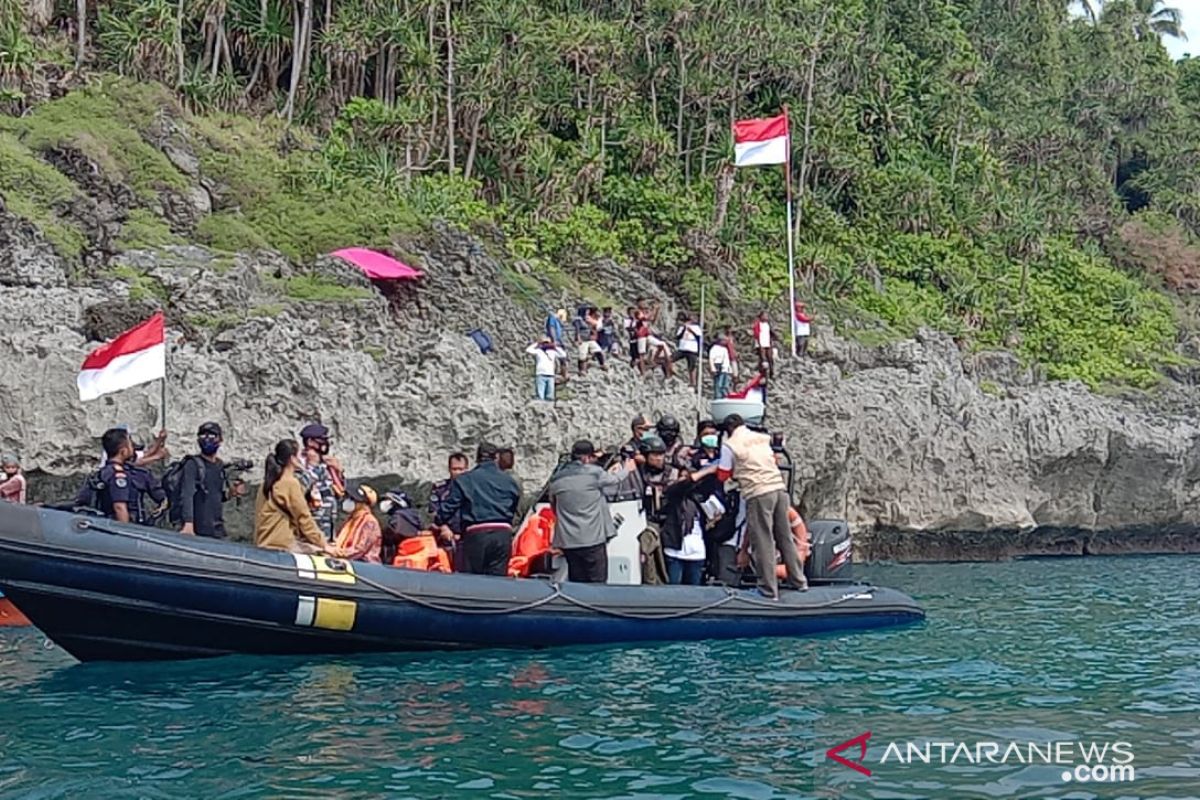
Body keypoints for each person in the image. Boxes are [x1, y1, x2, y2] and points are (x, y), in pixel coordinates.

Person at [716, 415, 806, 598]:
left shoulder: (730, 445)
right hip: (779, 490)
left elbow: (722, 475)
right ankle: (799, 581)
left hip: (758, 493)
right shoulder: (761, 438)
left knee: (762, 541)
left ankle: (768, 589)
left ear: (727, 430)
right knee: (785, 537)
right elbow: (772, 461)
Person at [547, 440, 633, 583]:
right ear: (587, 458)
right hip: (592, 539)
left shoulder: (556, 479)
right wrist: (627, 469)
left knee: (576, 581)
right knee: (597, 582)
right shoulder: (593, 474)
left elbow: (554, 507)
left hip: (569, 541)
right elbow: (615, 479)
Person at [434, 442, 521, 576]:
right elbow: (515, 506)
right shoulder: (510, 481)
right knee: (498, 582)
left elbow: (449, 508)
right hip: (503, 534)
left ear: (477, 458)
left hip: (477, 534)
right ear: (496, 458)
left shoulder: (465, 480)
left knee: (474, 580)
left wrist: (439, 520)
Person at [79, 427, 167, 524]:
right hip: (124, 527)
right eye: (130, 445)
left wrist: (160, 441)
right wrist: (126, 532)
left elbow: (142, 458)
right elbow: (120, 507)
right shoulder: (118, 475)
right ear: (123, 452)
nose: (133, 449)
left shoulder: (107, 471)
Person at [254, 439, 328, 553]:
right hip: (281, 544)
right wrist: (324, 544)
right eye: (301, 455)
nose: (303, 459)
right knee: (320, 553)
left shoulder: (267, 483)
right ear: (293, 459)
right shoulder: (290, 483)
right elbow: (304, 518)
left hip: (264, 542)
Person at [179, 422, 245, 539]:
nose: (207, 439)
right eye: (203, 436)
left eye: (212, 436)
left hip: (216, 528)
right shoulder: (192, 465)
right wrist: (188, 523)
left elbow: (216, 495)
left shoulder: (219, 465)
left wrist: (231, 493)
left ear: (220, 439)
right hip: (198, 529)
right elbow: (187, 494)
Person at [297, 423, 345, 542]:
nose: (325, 444)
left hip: (328, 526)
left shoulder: (327, 465)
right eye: (321, 441)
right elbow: (299, 491)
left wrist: (339, 473)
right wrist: (313, 467)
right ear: (310, 442)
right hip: (309, 529)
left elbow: (340, 493)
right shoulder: (299, 464)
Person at [331, 484, 382, 563]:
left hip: (365, 566)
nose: (347, 501)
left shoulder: (369, 522)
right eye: (347, 497)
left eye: (352, 499)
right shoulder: (351, 520)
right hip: (347, 562)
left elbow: (359, 550)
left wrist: (334, 552)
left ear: (362, 503)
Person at [381, 489, 424, 565]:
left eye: (387, 500)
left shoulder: (398, 518)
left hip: (400, 559)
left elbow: (393, 536)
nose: (384, 503)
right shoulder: (414, 516)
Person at [673, 313, 703, 386]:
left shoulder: (696, 328)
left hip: (692, 349)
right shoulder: (682, 327)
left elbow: (699, 338)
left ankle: (693, 383)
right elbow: (678, 337)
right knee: (671, 358)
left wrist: (691, 331)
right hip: (682, 348)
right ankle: (670, 373)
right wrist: (684, 329)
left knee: (691, 366)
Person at [709, 333, 733, 399]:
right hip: (718, 365)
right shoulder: (714, 349)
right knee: (718, 383)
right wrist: (712, 367)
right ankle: (718, 397)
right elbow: (711, 359)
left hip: (725, 368)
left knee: (725, 384)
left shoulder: (724, 349)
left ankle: (724, 396)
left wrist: (729, 369)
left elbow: (727, 360)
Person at [752, 311, 773, 378]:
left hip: (767, 343)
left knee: (770, 358)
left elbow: (770, 333)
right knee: (763, 359)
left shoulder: (767, 324)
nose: (766, 317)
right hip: (761, 344)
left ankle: (771, 372)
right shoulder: (758, 324)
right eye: (764, 316)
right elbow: (756, 335)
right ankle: (762, 373)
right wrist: (759, 344)